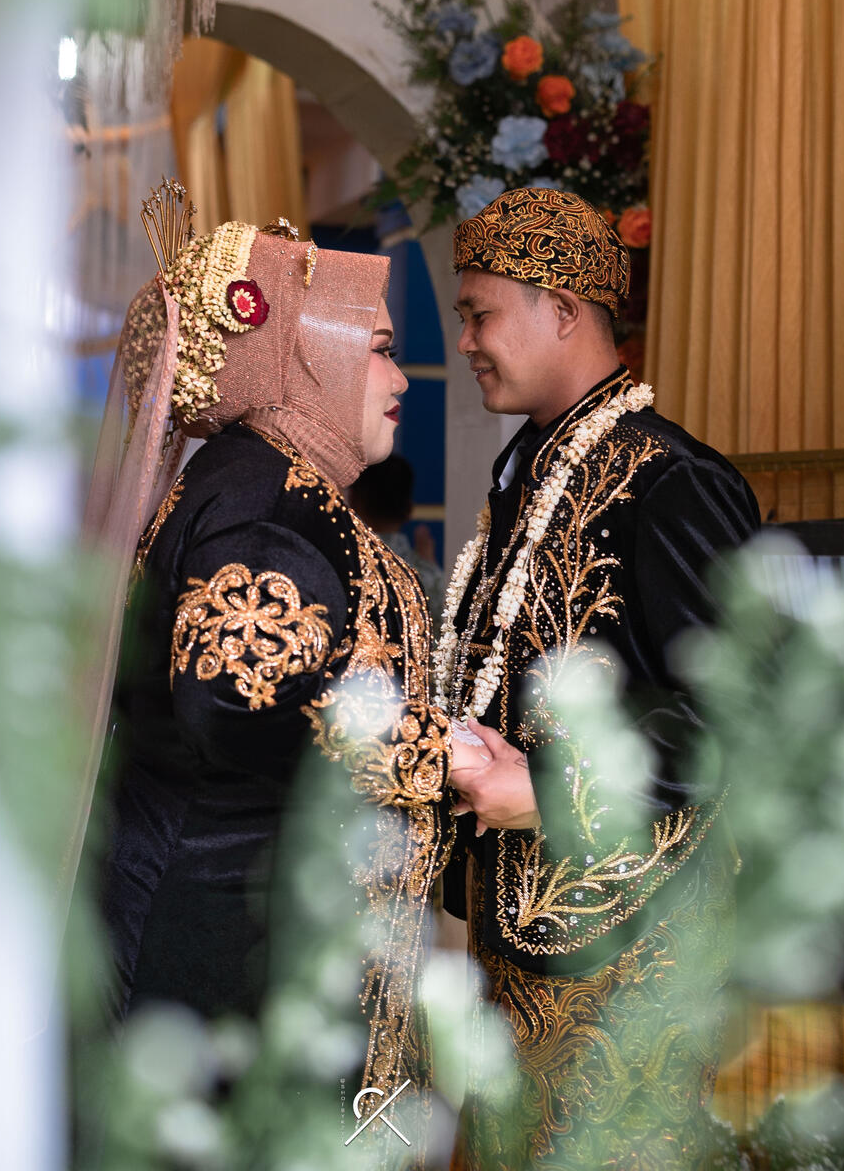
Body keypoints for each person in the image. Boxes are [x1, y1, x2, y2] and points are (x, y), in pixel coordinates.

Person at [81, 187, 486, 1152]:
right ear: (295, 355)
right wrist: (443, 758)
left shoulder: (277, 486)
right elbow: (238, 699)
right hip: (226, 953)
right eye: (379, 347)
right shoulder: (262, 503)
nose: (401, 375)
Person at [439, 187, 760, 1169]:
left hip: (626, 951)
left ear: (562, 310)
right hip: (525, 933)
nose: (465, 342)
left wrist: (544, 791)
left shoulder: (667, 478)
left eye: (480, 314)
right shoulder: (536, 467)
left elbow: (733, 710)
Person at [350, 453, 447, 627]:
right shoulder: (428, 576)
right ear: (408, 509)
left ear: (354, 501)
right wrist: (430, 566)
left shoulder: (347, 563)